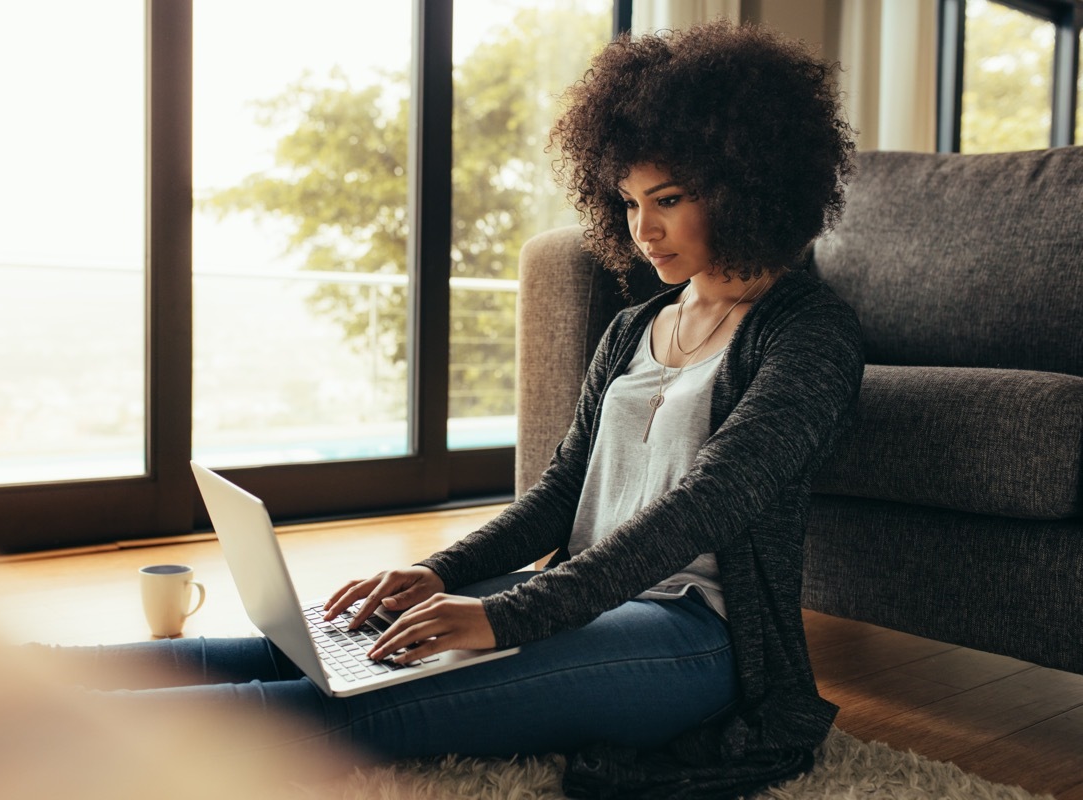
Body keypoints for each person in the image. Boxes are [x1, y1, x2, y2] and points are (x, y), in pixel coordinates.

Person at [48, 20, 863, 799]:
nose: (641, 230)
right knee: (307, 646)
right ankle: (8, 672)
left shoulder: (811, 337)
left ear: (751, 184)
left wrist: (507, 617)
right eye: (626, 202)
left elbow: (702, 509)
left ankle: (15, 734)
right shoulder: (634, 327)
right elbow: (558, 495)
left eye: (670, 199)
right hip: (584, 597)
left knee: (343, 709)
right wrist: (440, 574)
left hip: (696, 641)